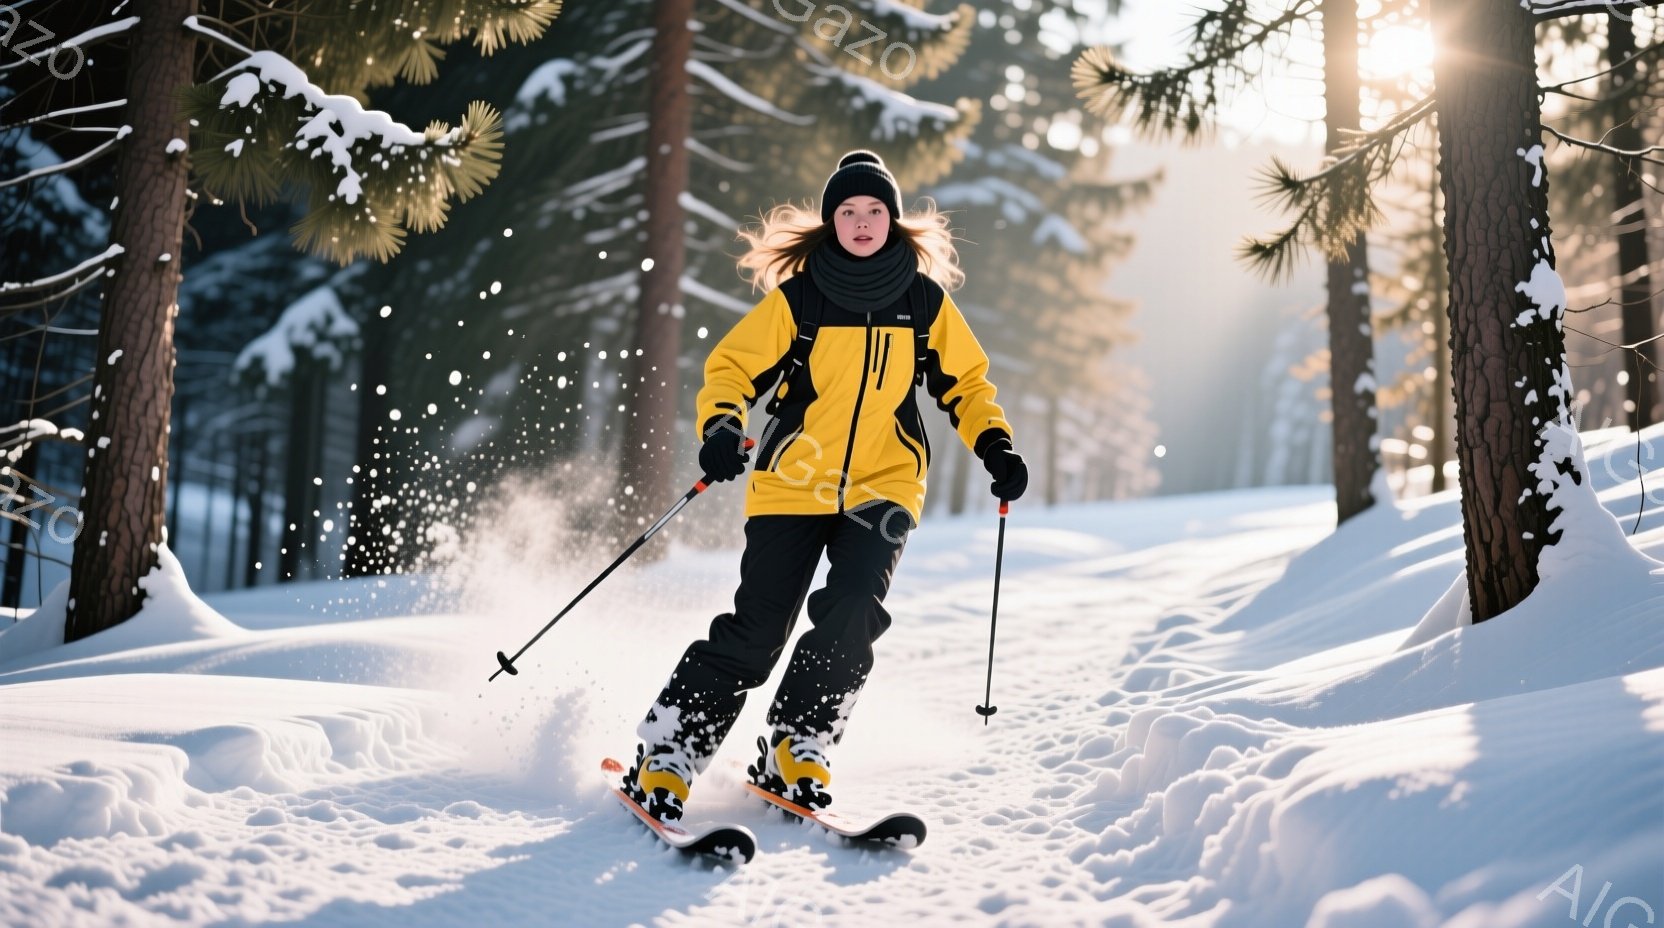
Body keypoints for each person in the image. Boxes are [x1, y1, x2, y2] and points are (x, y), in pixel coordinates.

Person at [621, 150, 1028, 821]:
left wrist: (996, 444)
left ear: (893, 221)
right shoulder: (801, 297)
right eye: (848, 211)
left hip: (885, 484)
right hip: (792, 484)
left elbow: (966, 384)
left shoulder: (923, 301)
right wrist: (722, 427)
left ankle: (798, 744)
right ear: (831, 221)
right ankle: (670, 750)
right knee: (758, 631)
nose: (862, 222)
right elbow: (731, 370)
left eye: (875, 211)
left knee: (854, 608)